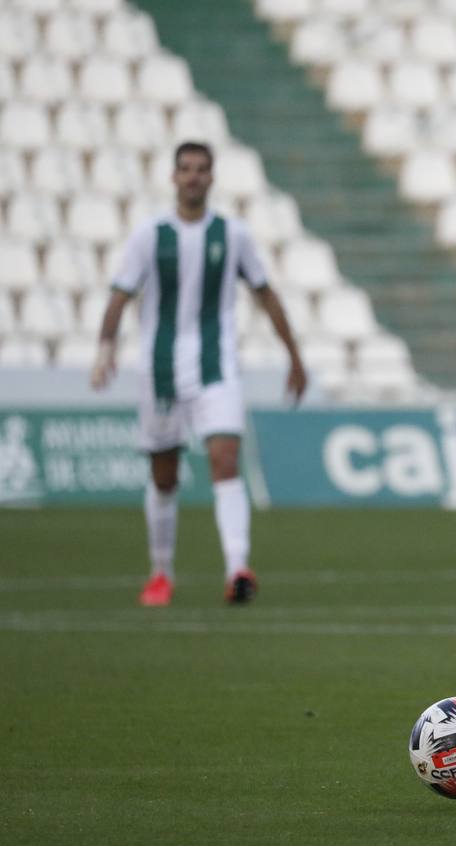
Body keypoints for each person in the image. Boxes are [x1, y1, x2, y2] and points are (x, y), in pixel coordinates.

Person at [91, 141, 307, 607]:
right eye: (185, 169)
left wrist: (294, 355)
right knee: (164, 476)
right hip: (161, 369)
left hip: (216, 366)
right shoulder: (150, 234)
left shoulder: (233, 234)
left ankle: (237, 569)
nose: (193, 177)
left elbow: (265, 294)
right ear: (174, 177)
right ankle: (161, 572)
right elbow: (119, 295)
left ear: (211, 178)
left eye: (201, 169)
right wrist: (105, 349)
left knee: (224, 460)